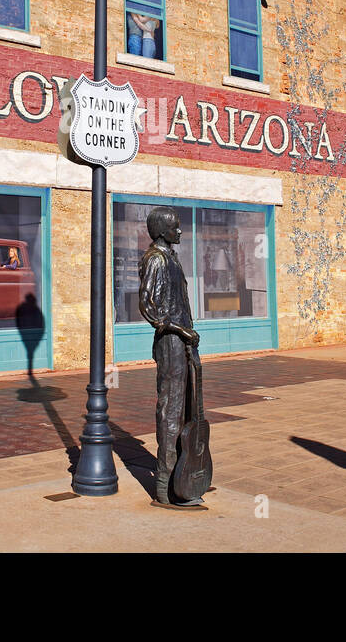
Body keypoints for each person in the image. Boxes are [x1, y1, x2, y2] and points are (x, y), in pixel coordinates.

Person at [139, 206, 205, 507]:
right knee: (171, 407)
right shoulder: (155, 259)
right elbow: (149, 307)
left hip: (185, 342)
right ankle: (165, 485)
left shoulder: (171, 257)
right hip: (171, 343)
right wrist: (181, 330)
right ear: (161, 230)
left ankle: (184, 476)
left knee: (187, 407)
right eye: (175, 227)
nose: (180, 231)